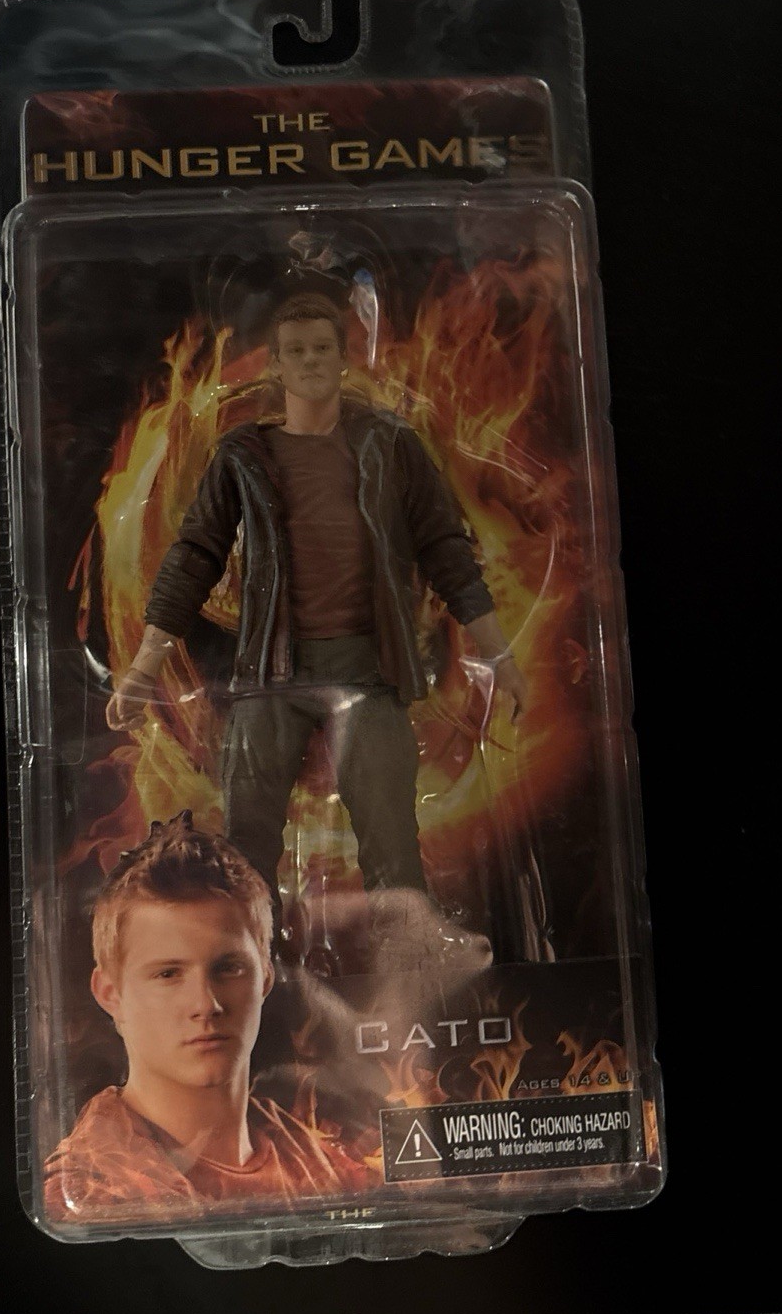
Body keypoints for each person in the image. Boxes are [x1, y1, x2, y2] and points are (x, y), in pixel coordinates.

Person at [106, 292, 528, 927]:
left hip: (369, 670)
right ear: (275, 365)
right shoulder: (243, 455)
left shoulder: (391, 444)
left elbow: (448, 552)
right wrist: (144, 666)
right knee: (247, 849)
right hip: (269, 675)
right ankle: (256, 965)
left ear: (342, 358)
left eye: (321, 348)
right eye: (296, 350)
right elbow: (193, 559)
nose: (309, 361)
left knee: (392, 844)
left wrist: (498, 656)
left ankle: (409, 964)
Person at [45, 811, 369, 1219]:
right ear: (110, 994)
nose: (206, 1004)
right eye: (168, 974)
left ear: (265, 978)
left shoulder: (325, 1167)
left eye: (228, 968)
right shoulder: (87, 1196)